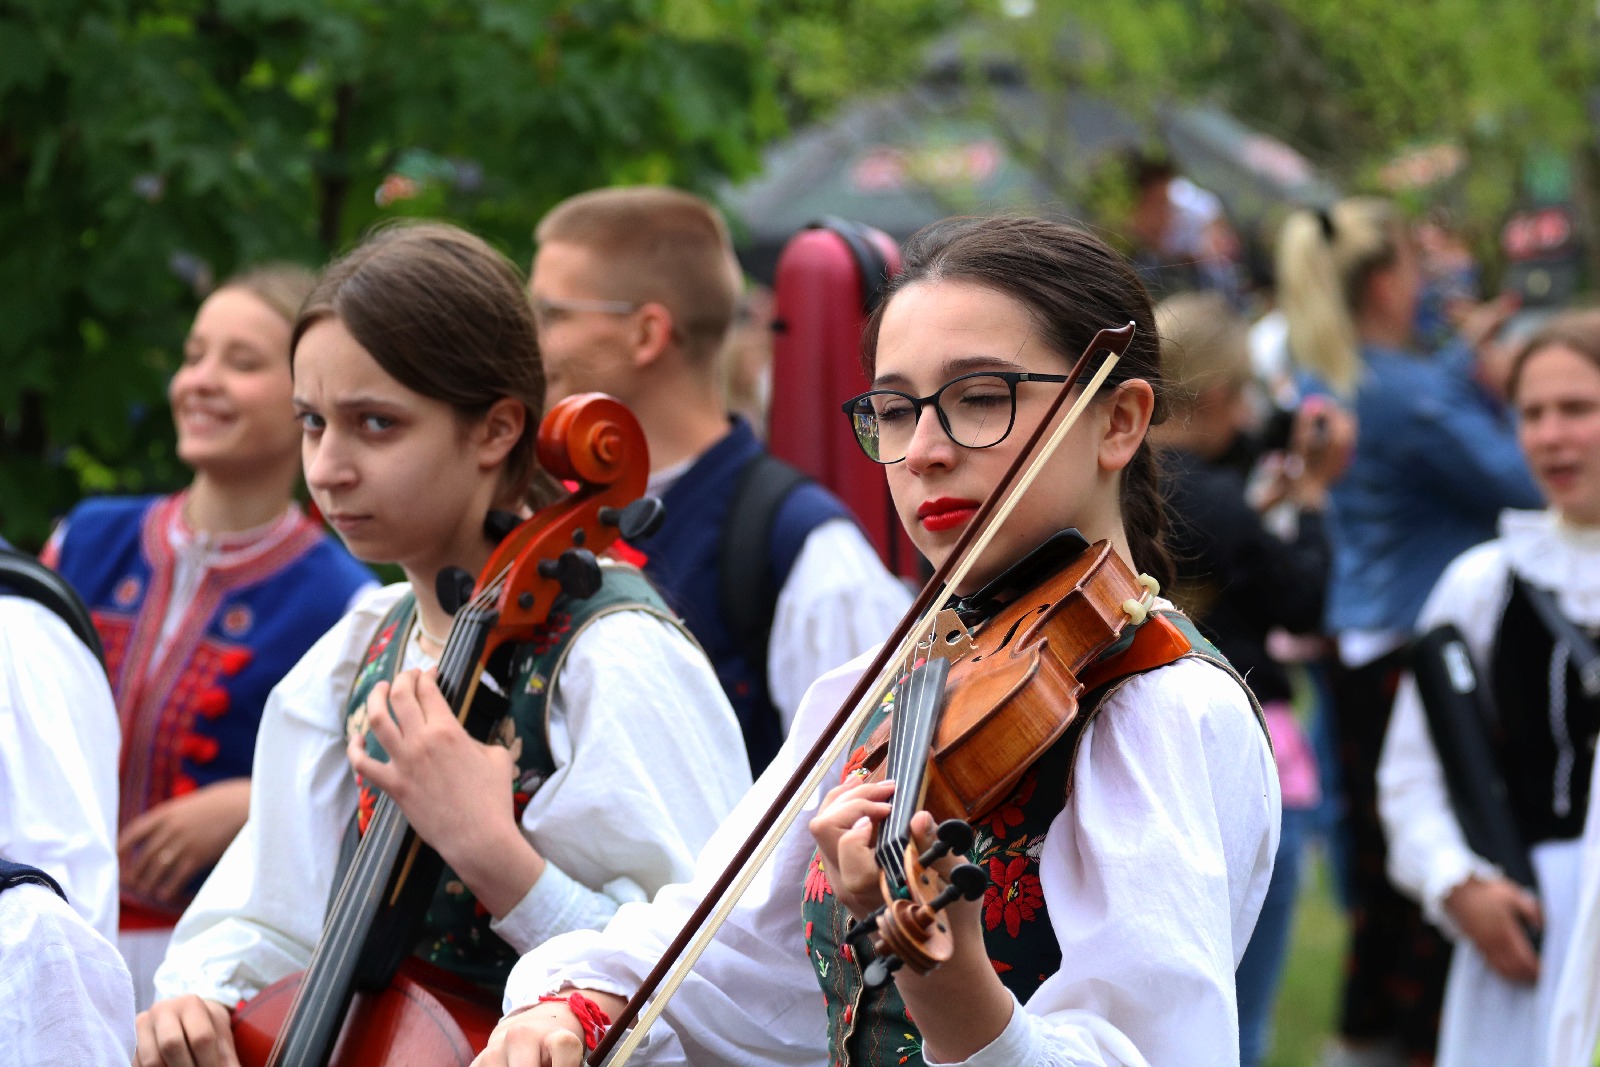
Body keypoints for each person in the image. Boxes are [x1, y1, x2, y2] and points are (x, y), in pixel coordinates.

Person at [475, 215, 1279, 1067]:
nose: (924, 451)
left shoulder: (1159, 707)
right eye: (895, 411)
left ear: (1117, 420)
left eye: (979, 397)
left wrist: (960, 995)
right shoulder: (890, 676)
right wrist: (578, 1007)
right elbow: (732, 965)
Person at [132, 222, 750, 1067]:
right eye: (313, 422)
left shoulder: (610, 656)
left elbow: (712, 990)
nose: (329, 466)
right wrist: (202, 993)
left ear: (496, 430)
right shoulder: (363, 644)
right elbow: (271, 909)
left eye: (375, 424)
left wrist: (495, 856)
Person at [42, 266, 377, 1007]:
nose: (202, 380)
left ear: (306, 400)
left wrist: (252, 800)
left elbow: (368, 792)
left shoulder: (344, 597)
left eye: (243, 362)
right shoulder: (87, 537)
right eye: (195, 355)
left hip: (200, 968)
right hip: (44, 928)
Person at [1276, 198, 1543, 1067]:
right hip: (1423, 648)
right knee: (1438, 858)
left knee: (1382, 857)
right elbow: (1523, 479)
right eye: (1416, 267)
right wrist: (1505, 395)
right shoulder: (1404, 389)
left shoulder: (1337, 372)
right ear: (1387, 279)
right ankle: (1406, 1040)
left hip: (1365, 637)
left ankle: (1370, 1036)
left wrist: (1464, 369)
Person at [529, 186, 912, 774]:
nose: (533, 341)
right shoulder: (559, 516)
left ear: (646, 335)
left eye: (553, 314)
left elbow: (867, 796)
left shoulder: (808, 554)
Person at [1378, 310, 1600, 1067]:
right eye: (1531, 413)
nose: (1549, 435)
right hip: (1533, 922)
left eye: (1577, 409)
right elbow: (1411, 773)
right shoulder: (1485, 583)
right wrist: (1457, 882)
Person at [1151, 291, 1352, 1067]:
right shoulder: (1209, 496)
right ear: (1222, 391)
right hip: (1239, 746)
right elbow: (1304, 598)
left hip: (1150, 749)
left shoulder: (1128, 482)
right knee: (1240, 1022)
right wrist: (1309, 500)